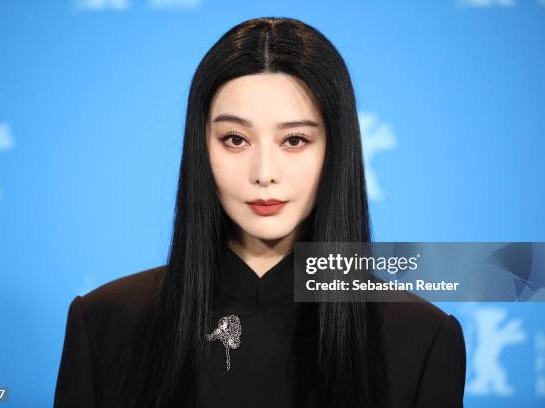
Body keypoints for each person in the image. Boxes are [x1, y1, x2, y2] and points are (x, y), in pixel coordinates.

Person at [53, 17, 466, 408]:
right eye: (235, 139)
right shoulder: (106, 323)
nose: (264, 173)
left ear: (336, 150)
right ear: (201, 147)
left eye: (294, 140)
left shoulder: (421, 337)